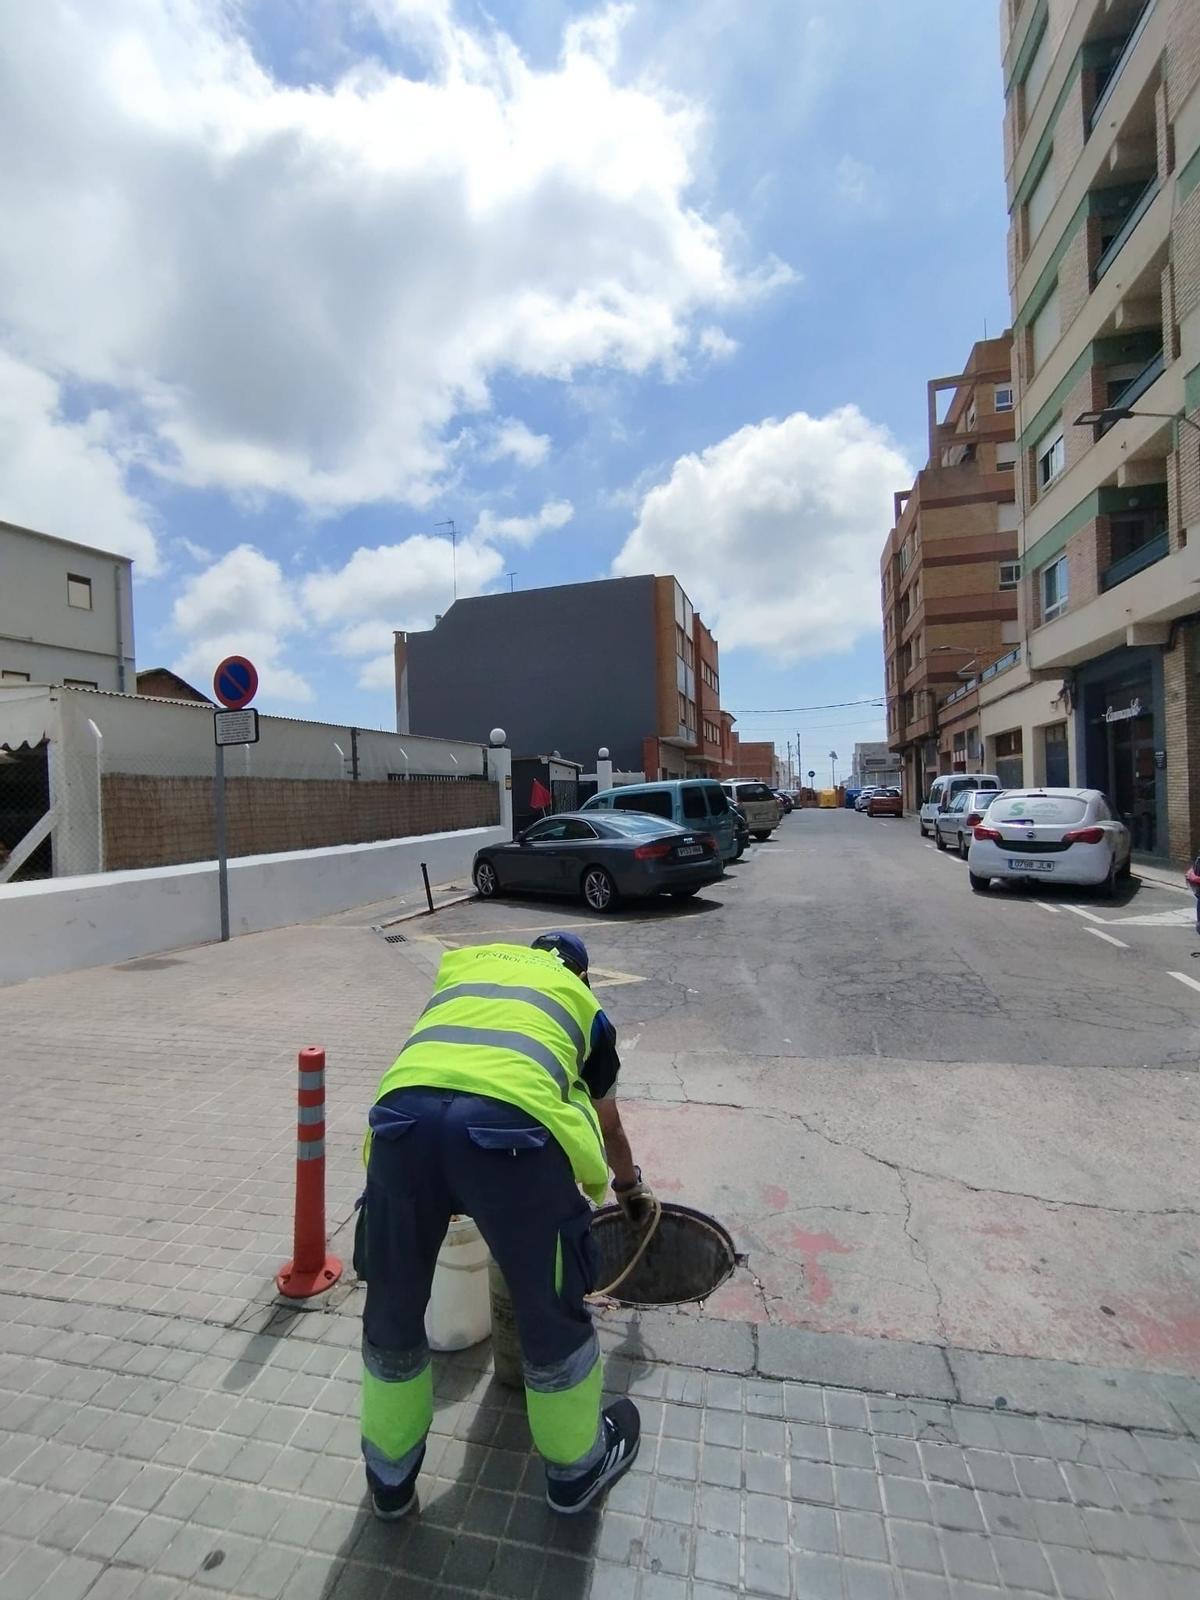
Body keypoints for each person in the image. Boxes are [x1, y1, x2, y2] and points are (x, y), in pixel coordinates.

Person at [359, 931, 655, 1519]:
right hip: (513, 1141)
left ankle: (389, 1477)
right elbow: (610, 1125)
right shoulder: (583, 1006)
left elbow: (446, 1080)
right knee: (551, 1308)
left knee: (392, 1306)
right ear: (581, 973)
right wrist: (629, 1187)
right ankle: (576, 1470)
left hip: (399, 1127)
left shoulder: (468, 973)